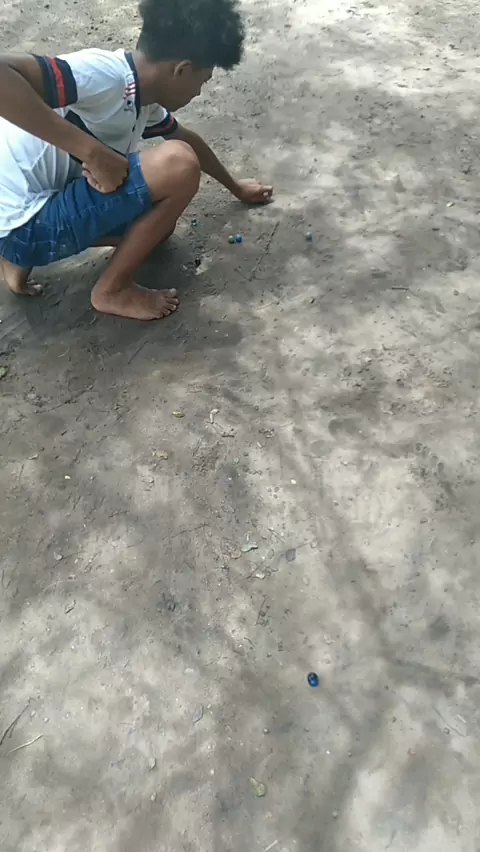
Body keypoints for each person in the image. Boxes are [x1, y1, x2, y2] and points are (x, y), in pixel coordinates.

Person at [0, 0, 273, 321]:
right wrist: (92, 152)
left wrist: (236, 187)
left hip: (19, 220)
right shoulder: (103, 76)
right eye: (203, 81)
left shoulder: (142, 99)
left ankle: (16, 258)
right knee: (179, 165)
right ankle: (111, 290)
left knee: (159, 226)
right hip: (24, 225)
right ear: (182, 69)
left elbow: (185, 137)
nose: (199, 92)